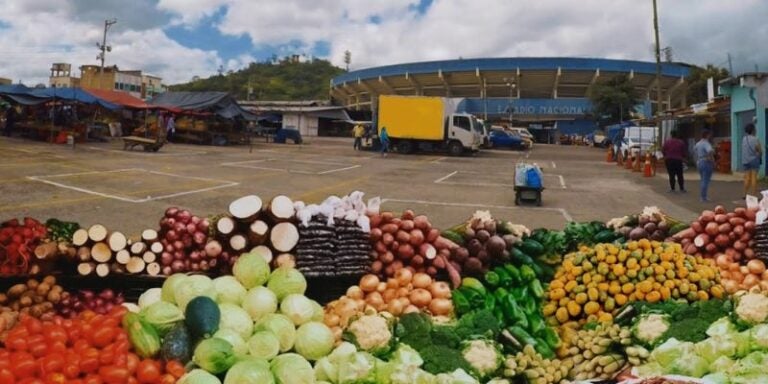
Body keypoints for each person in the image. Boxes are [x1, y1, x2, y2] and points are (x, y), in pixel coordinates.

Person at [693, 130, 715, 202]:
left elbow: (694, 151)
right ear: (707, 135)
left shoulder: (698, 143)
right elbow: (710, 151)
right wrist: (711, 159)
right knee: (705, 180)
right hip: (706, 162)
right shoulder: (706, 143)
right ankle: (703, 197)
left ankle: (703, 196)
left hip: (700, 161)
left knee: (703, 179)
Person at [742, 123, 761, 198]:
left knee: (747, 177)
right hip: (754, 160)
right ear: (753, 130)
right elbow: (759, 150)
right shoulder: (755, 139)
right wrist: (759, 155)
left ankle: (745, 194)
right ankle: (753, 195)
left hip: (745, 160)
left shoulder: (744, 139)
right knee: (754, 177)